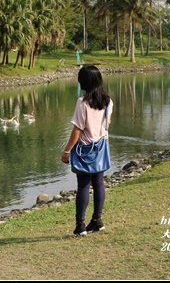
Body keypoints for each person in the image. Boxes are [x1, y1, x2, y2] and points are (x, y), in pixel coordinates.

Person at [61, 65, 113, 236]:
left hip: (84, 150)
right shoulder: (108, 101)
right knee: (98, 183)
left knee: (83, 185)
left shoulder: (82, 103)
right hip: (101, 147)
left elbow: (77, 130)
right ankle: (97, 220)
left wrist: (67, 151)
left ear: (84, 82)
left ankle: (80, 225)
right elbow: (107, 124)